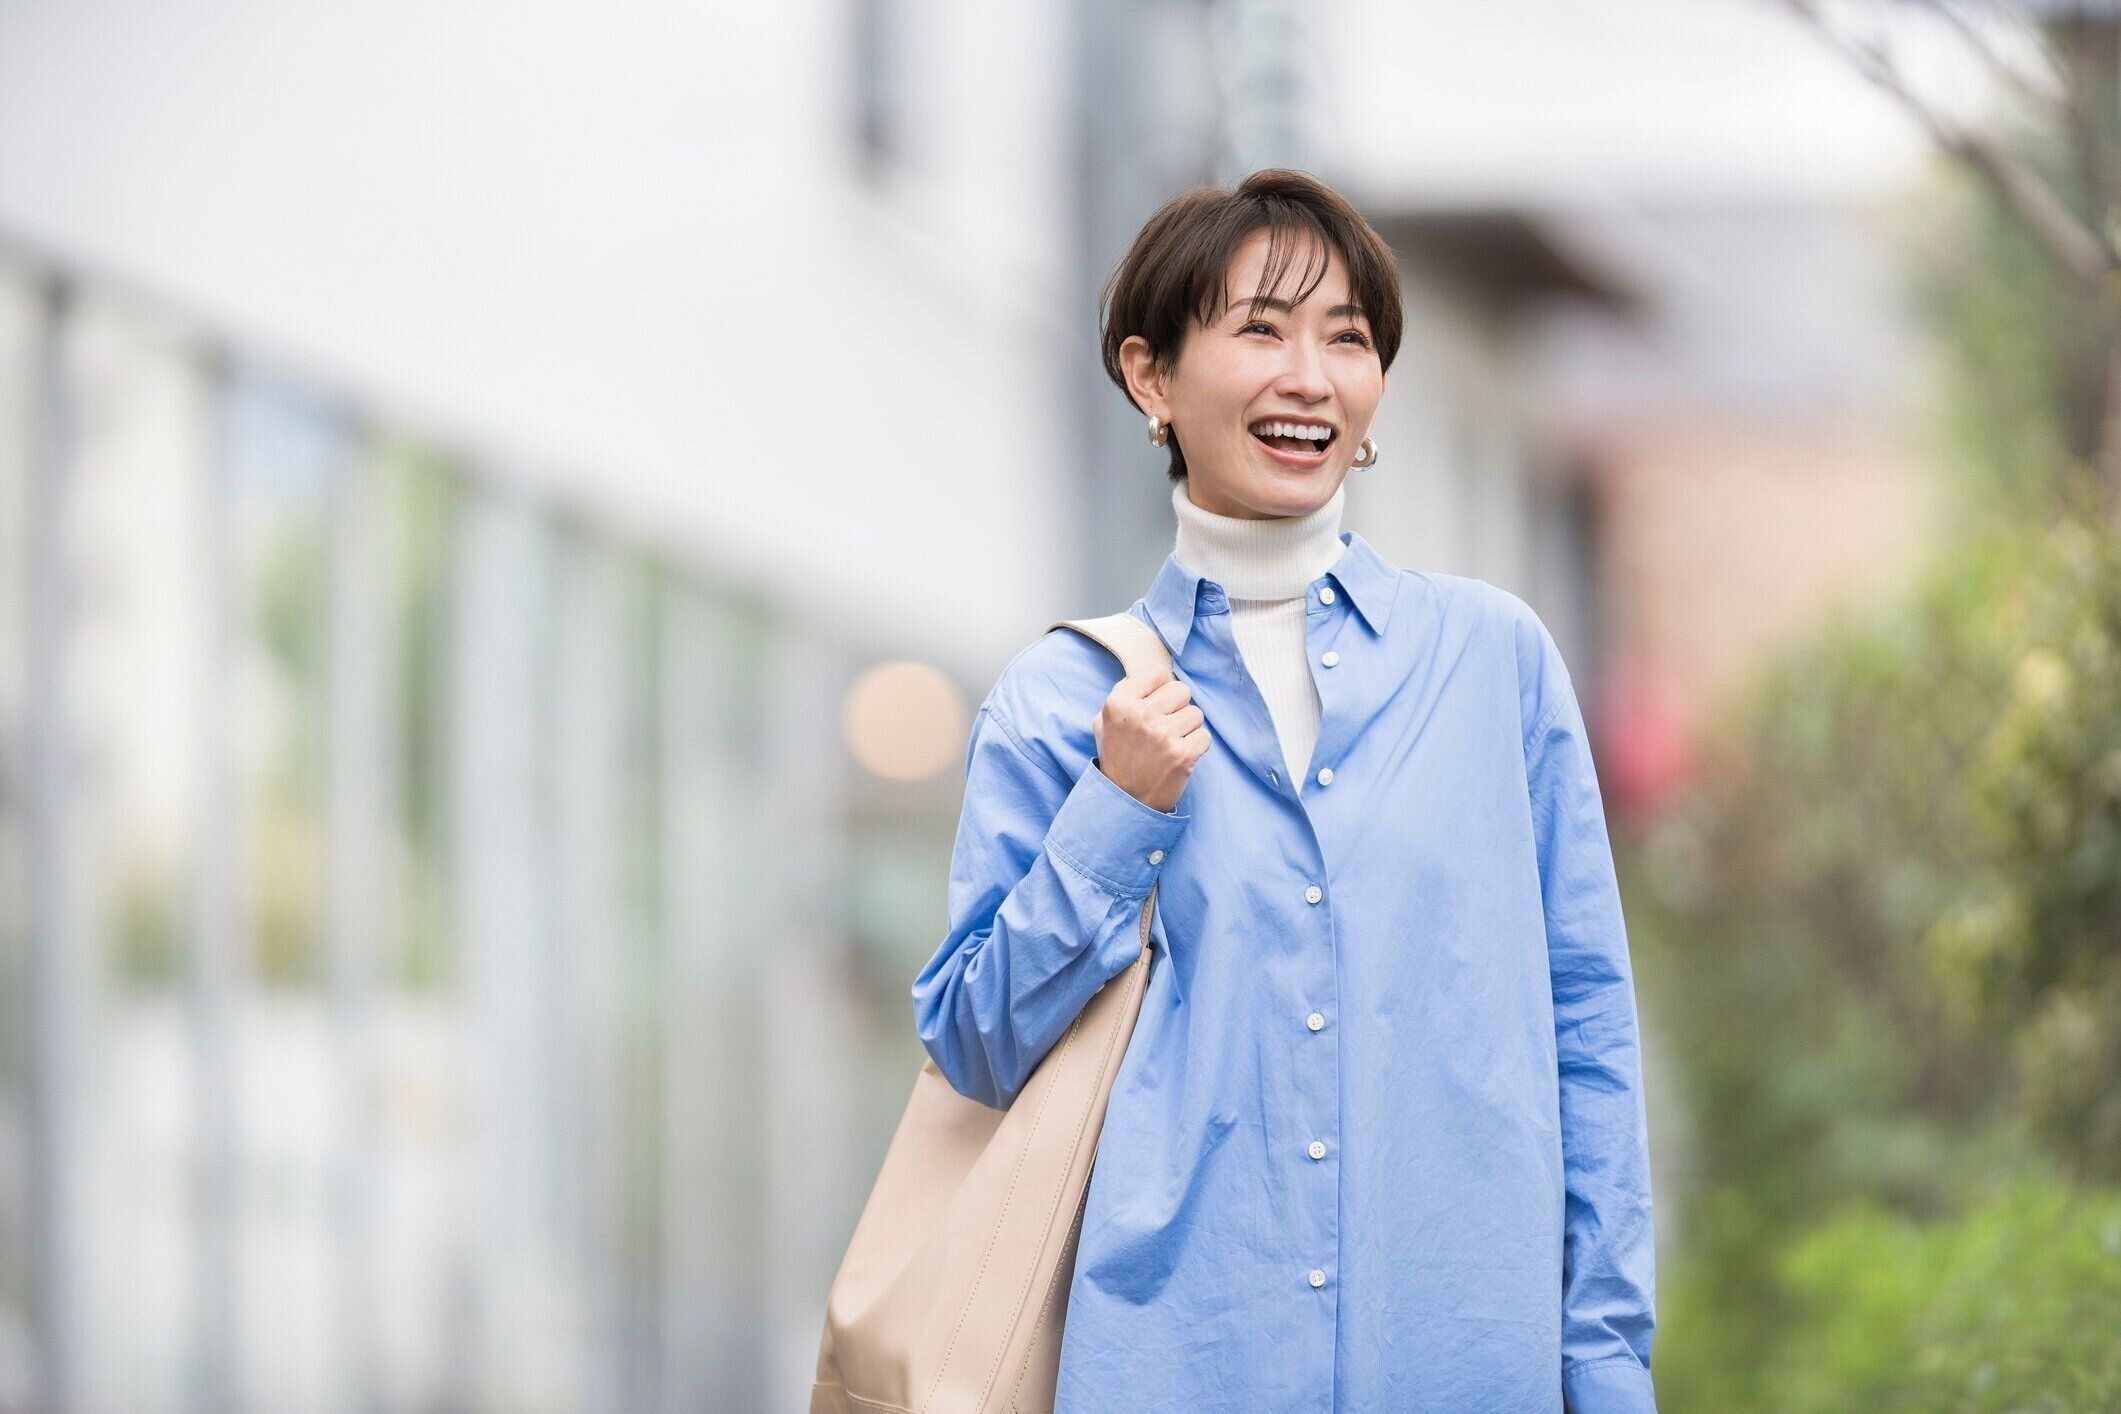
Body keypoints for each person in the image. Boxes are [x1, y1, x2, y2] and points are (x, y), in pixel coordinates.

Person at [910, 168, 1657, 1413]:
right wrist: (1117, 814)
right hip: (1172, 1364)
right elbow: (975, 1044)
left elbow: (1588, 1034)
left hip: (1464, 1362)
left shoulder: (1493, 664)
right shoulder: (1063, 700)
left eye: (1349, 338)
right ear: (1151, 378)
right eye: (1261, 328)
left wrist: (1603, 1360)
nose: (1310, 375)